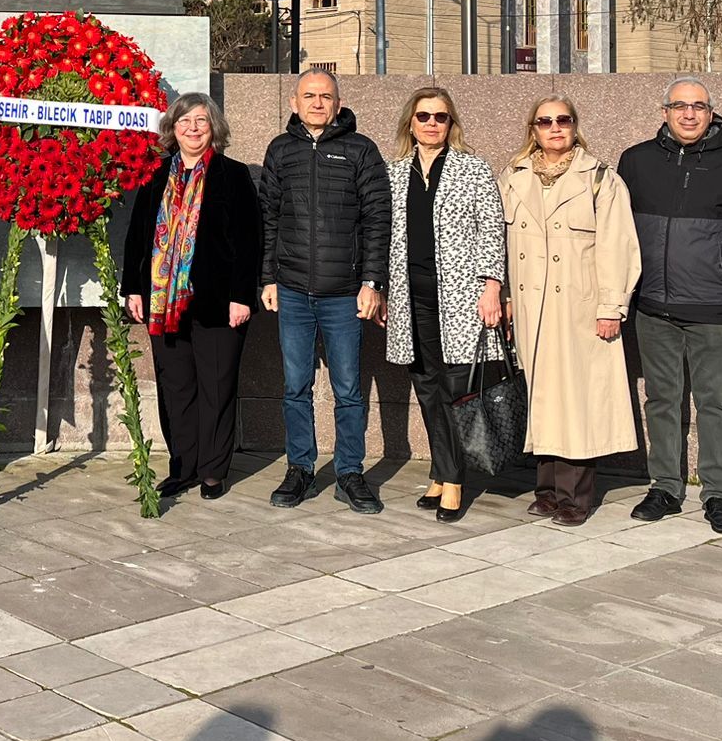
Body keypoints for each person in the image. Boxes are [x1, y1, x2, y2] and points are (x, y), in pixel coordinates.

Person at [618, 80, 722, 536]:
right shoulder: (636, 161)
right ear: (664, 111)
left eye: (698, 106)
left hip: (714, 309)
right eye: (679, 106)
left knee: (716, 403)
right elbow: (615, 233)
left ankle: (718, 494)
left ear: (711, 113)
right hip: (652, 307)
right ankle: (665, 486)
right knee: (661, 399)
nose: (688, 114)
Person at [498, 96, 642, 525]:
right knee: (542, 397)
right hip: (529, 307)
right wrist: (504, 299)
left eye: (564, 120)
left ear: (575, 126)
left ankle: (575, 496)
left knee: (577, 402)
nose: (555, 127)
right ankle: (546, 489)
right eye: (545, 121)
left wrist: (611, 306)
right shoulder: (512, 176)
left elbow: (619, 246)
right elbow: (499, 246)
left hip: (579, 307)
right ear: (533, 129)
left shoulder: (600, 179)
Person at [259, 69, 391, 514]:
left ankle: (350, 473)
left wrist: (373, 283)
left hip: (344, 294)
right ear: (294, 102)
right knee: (295, 385)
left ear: (338, 103)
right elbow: (269, 219)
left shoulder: (361, 150)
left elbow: (377, 222)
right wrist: (268, 278)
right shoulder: (281, 150)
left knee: (348, 388)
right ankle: (300, 468)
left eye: (326, 96)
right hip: (293, 290)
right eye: (309, 96)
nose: (318, 103)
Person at [124, 94, 261, 502]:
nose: (194, 128)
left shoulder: (233, 176)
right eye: (185, 121)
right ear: (173, 128)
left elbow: (249, 240)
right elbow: (137, 237)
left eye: (201, 120)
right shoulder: (154, 177)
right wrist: (133, 288)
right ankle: (183, 466)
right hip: (163, 303)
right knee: (176, 387)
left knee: (217, 386)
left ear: (214, 127)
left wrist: (242, 297)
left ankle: (214, 471)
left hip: (218, 303)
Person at [382, 87, 507, 523]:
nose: (432, 123)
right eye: (424, 116)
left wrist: (492, 288)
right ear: (410, 124)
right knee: (426, 387)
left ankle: (454, 480)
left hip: (457, 298)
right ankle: (440, 470)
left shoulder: (473, 169)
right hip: (409, 296)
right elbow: (382, 236)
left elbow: (493, 232)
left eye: (441, 117)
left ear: (452, 123)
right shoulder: (394, 173)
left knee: (455, 389)